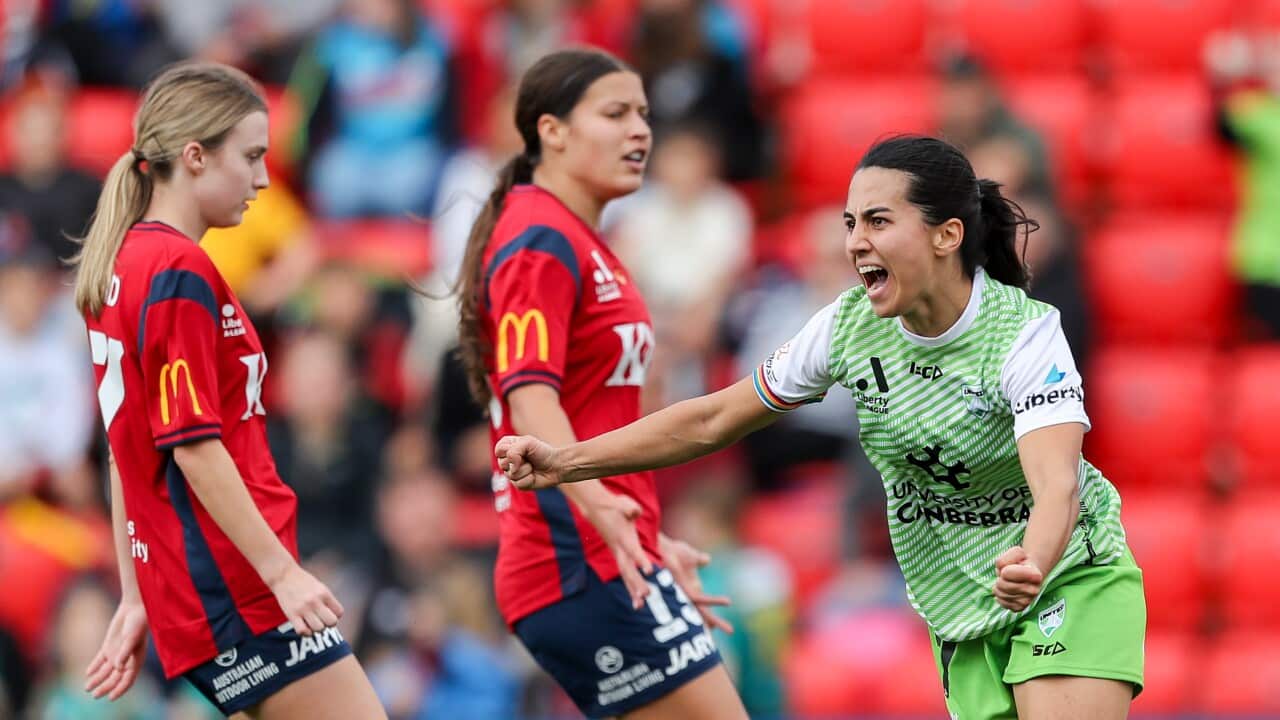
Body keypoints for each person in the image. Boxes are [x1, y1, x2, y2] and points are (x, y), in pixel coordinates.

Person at [498, 135, 1147, 720]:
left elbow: (1055, 483)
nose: (854, 241)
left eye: (878, 221)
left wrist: (1032, 563)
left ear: (946, 235)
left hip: (1065, 572)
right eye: (850, 223)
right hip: (963, 607)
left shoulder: (1023, 335)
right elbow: (711, 418)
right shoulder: (846, 327)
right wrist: (567, 461)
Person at [71, 61, 386, 719]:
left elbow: (126, 449)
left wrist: (137, 595)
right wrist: (280, 574)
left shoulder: (123, 264)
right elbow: (191, 447)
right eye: (249, 157)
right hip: (238, 584)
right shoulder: (178, 268)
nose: (264, 179)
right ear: (193, 156)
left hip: (199, 586)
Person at [452, 47, 749, 720]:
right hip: (574, 563)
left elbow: (590, 411)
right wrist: (601, 508)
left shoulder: (583, 238)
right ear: (550, 131)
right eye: (615, 113)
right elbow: (531, 397)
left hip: (610, 551)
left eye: (644, 114)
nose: (640, 131)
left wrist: (642, 530)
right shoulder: (537, 237)